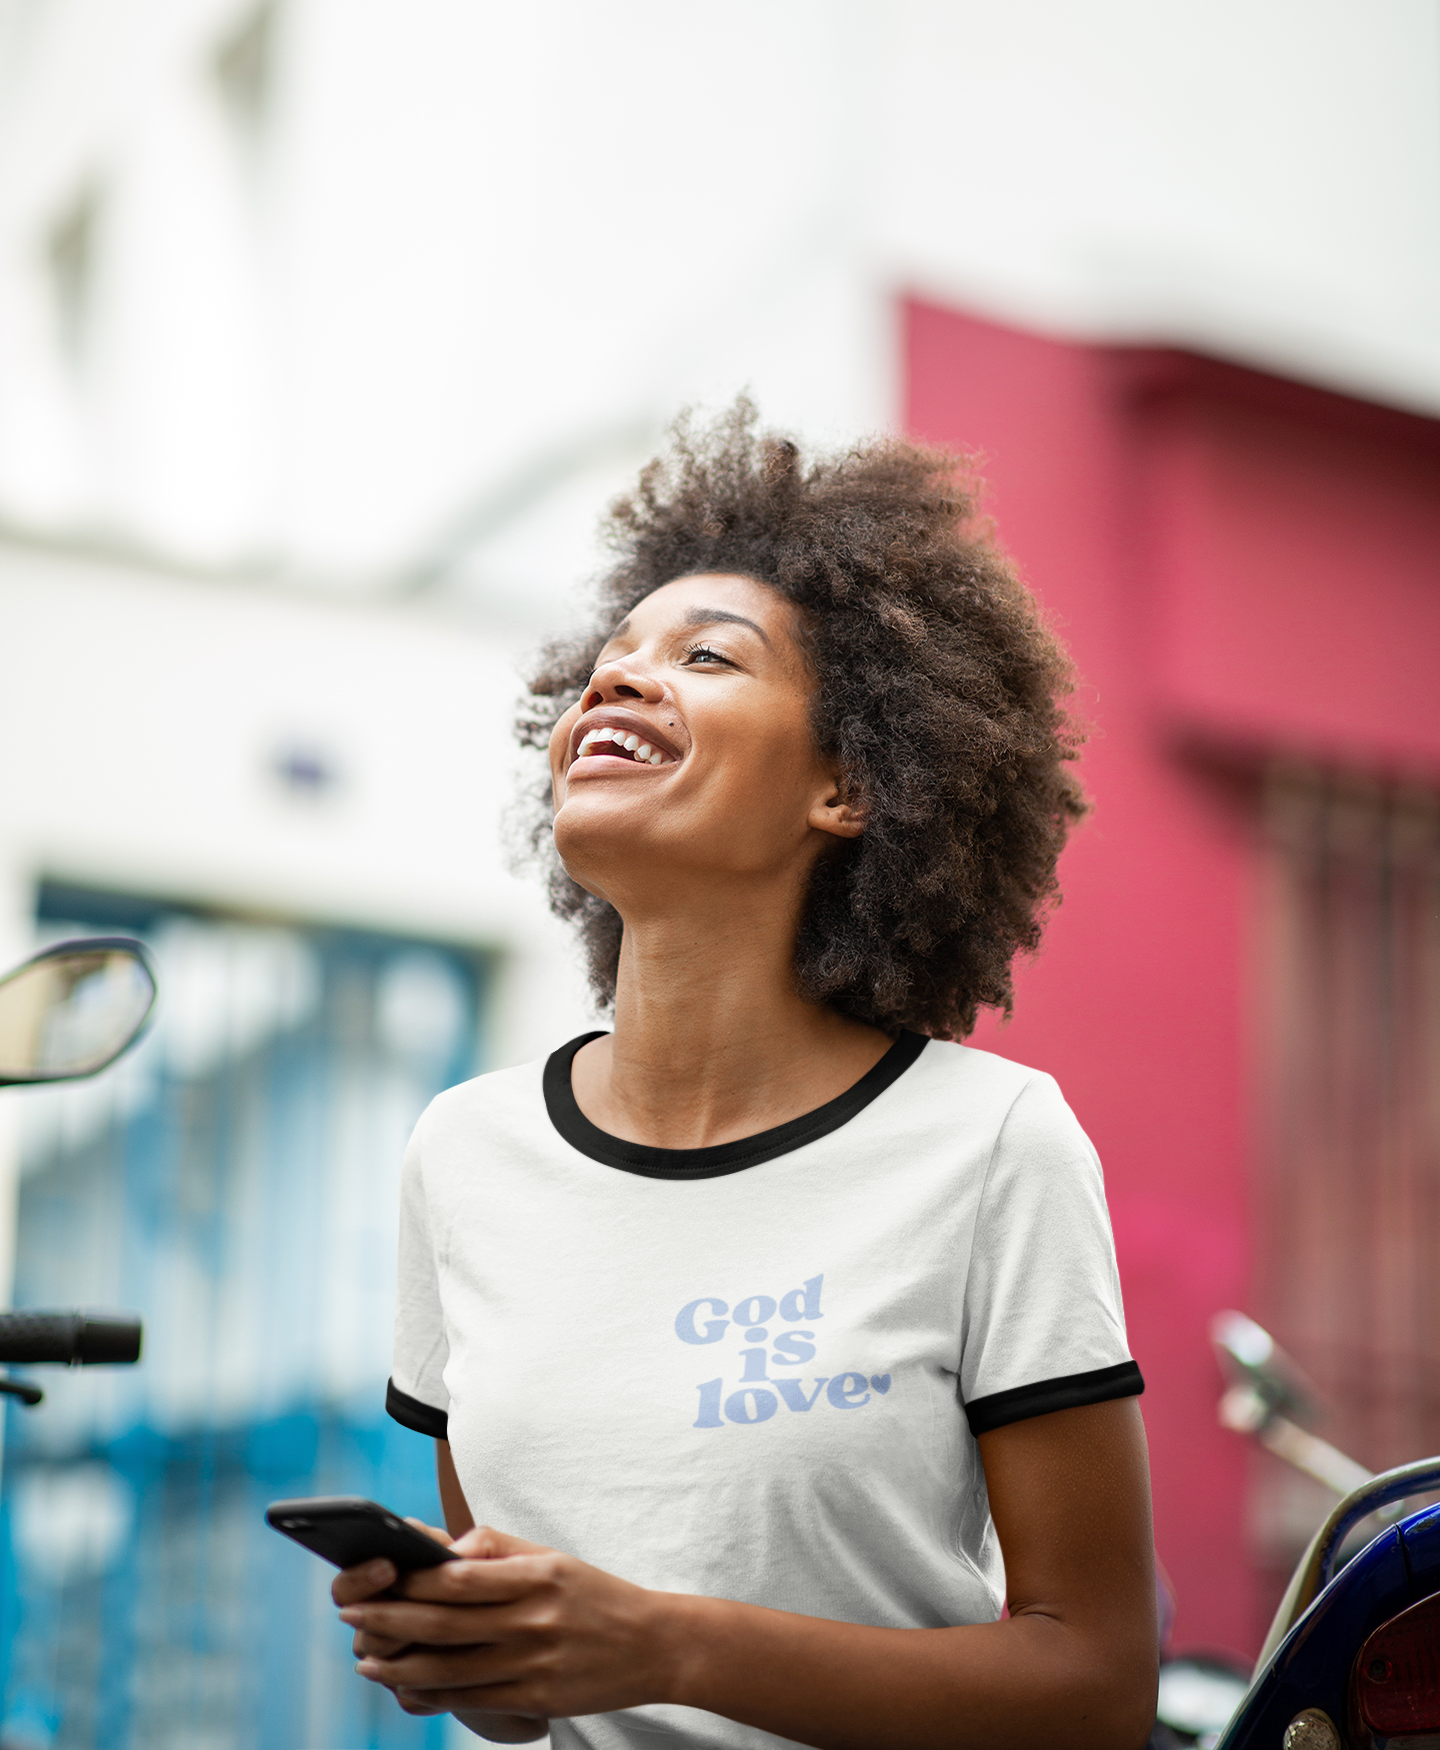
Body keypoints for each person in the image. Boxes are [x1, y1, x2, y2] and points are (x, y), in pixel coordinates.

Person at [333, 403, 1158, 1749]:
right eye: (607, 662)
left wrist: (664, 1641)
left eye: (707, 655)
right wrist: (467, 1648)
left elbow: (1099, 1686)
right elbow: (524, 1699)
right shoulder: (464, 1152)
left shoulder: (994, 1141)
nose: (619, 681)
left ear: (846, 782)